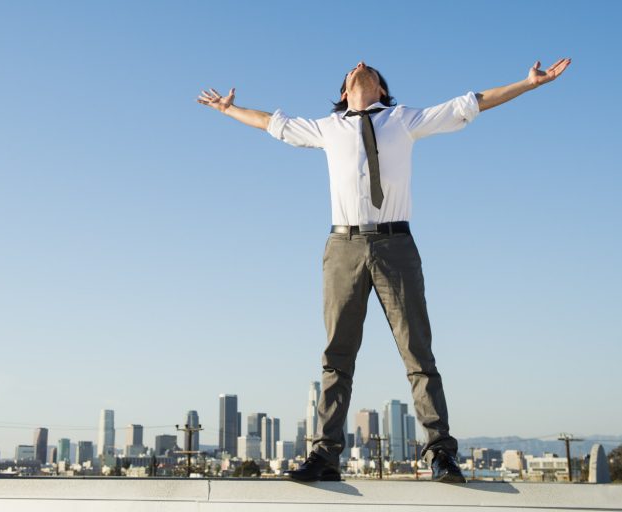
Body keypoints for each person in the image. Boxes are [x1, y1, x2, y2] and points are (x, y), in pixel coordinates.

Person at [197, 58, 571, 483]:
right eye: (353, 68)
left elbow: (474, 102)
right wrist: (228, 110)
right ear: (344, 92)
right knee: (337, 355)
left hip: (396, 245)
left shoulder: (404, 119)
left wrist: (527, 84)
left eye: (369, 67)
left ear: (381, 89)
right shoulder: (326, 127)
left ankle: (441, 455)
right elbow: (270, 122)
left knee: (418, 352)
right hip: (344, 246)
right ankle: (325, 457)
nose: (359, 64)